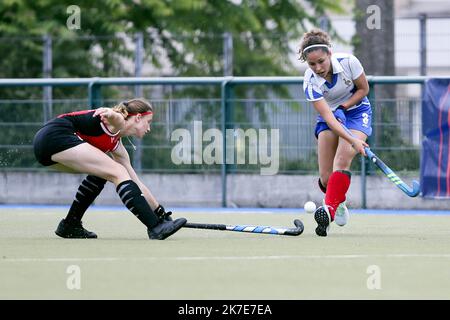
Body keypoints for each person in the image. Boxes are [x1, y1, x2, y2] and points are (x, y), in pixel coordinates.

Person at [33, 98, 187, 240]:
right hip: (56, 136)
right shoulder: (117, 123)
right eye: (149, 122)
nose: (149, 128)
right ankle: (155, 228)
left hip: (45, 145)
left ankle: (70, 224)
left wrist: (160, 212)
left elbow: (136, 182)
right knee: (117, 172)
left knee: (103, 173)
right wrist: (110, 113)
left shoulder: (117, 146)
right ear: (138, 117)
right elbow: (116, 117)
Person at [299, 29, 371, 237]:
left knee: (342, 159)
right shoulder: (309, 82)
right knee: (325, 178)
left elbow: (363, 89)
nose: (318, 68)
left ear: (329, 53)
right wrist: (353, 140)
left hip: (357, 111)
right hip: (330, 116)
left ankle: (328, 211)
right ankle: (338, 202)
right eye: (312, 64)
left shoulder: (349, 62)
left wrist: (345, 107)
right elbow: (329, 119)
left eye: (321, 61)